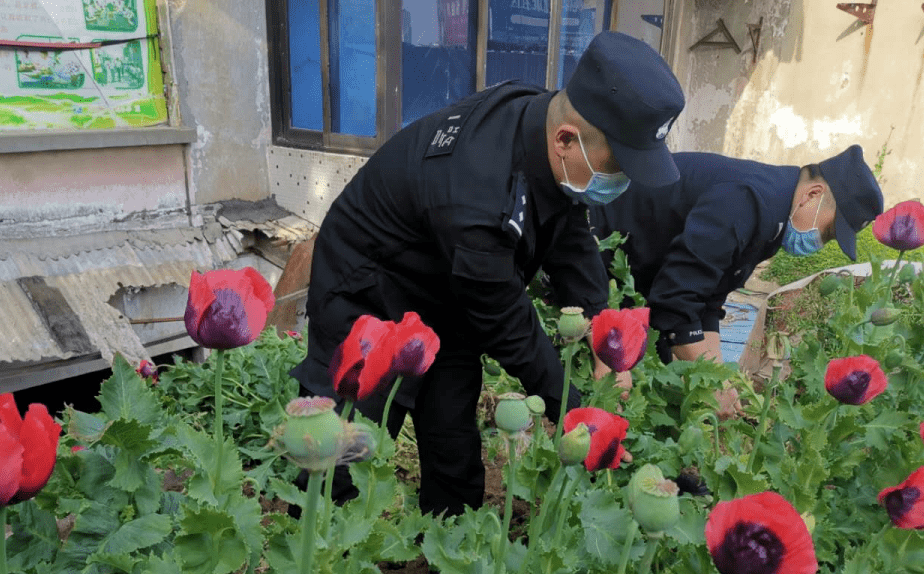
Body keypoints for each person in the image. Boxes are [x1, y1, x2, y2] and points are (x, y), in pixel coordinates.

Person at [290, 31, 685, 518]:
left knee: (452, 439)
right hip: (371, 284)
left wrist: (602, 327)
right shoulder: (477, 196)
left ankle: (452, 565)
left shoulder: (542, 129)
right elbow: (504, 320)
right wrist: (572, 408)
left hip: (445, 292)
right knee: (346, 443)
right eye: (620, 166)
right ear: (566, 140)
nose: (622, 183)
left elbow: (568, 228)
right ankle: (318, 562)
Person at [588, 145, 884, 414]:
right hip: (599, 255)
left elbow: (707, 299)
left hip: (647, 272)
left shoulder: (774, 218)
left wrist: (723, 380)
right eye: (829, 232)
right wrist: (713, 384)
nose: (822, 242)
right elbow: (676, 305)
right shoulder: (750, 201)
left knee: (663, 376)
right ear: (813, 195)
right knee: (612, 385)